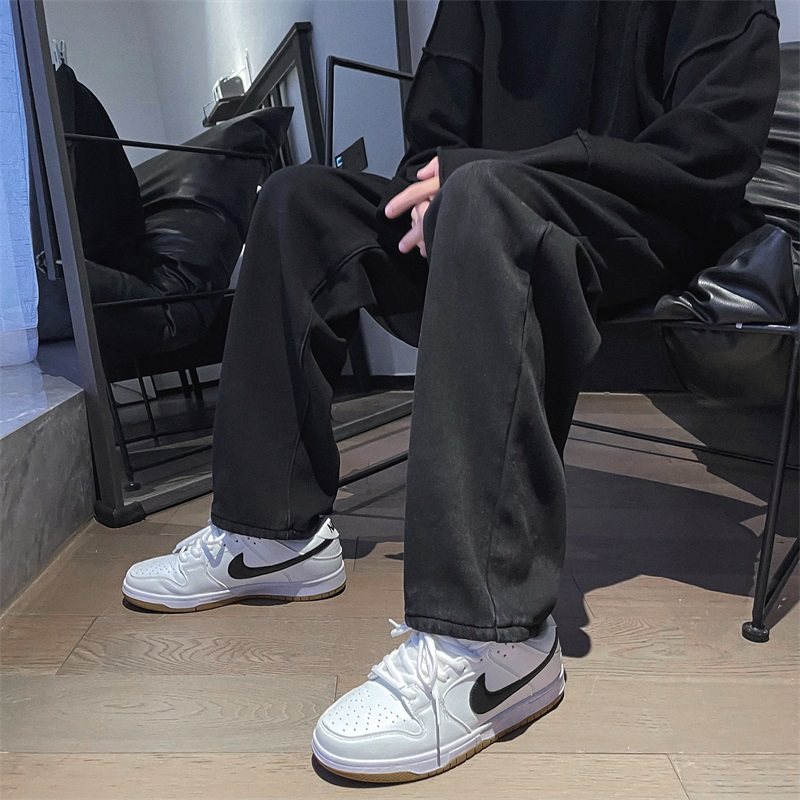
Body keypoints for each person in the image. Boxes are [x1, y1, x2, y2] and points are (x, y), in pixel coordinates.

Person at [122, 0, 780, 783]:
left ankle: (499, 642)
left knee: (484, 195)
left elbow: (712, 152)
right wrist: (433, 188)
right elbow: (431, 138)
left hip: (648, 218)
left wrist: (492, 177)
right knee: (297, 202)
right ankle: (271, 536)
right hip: (487, 210)